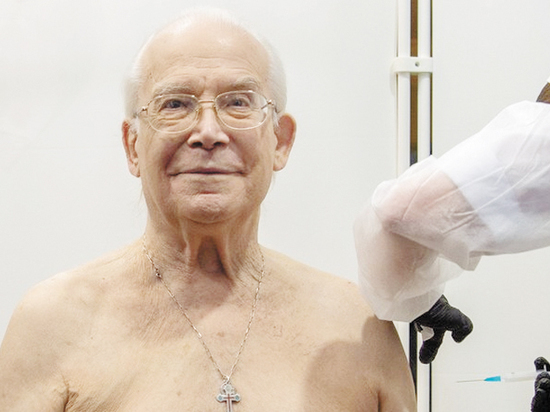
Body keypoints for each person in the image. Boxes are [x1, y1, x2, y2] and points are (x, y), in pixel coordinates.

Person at [0, 9, 416, 411]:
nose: (209, 132)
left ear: (281, 141)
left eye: (238, 102)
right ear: (132, 146)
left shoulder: (353, 325)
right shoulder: (54, 326)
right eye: (174, 104)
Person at [354, 78, 550, 363]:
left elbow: (397, 210)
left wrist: (419, 301)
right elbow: (401, 210)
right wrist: (421, 301)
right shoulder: (539, 141)